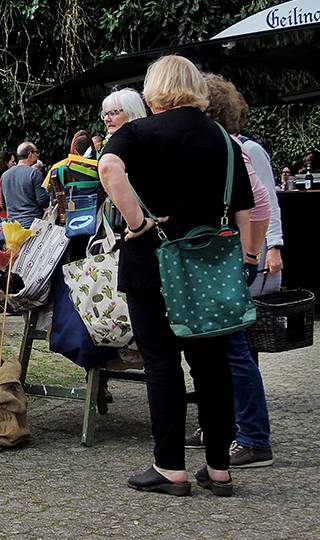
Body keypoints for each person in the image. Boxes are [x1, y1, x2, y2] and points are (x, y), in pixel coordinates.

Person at [99, 55, 254, 497]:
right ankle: (219, 468)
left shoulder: (136, 133)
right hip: (208, 268)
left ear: (154, 90)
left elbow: (108, 168)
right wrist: (248, 259)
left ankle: (170, 467)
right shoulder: (222, 138)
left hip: (151, 265)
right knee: (212, 364)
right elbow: (246, 208)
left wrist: (137, 222)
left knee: (162, 364)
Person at [182, 73, 278, 469]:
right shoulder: (222, 145)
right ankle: (222, 428)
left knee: (234, 350)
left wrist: (251, 256)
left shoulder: (231, 148)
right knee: (221, 351)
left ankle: (254, 437)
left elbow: (262, 205)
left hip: (227, 262)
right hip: (226, 260)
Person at [0, 141, 49, 227]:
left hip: (13, 227)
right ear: (30, 154)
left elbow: (3, 204)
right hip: (33, 225)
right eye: (36, 152)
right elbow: (43, 201)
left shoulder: (4, 176)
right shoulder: (34, 173)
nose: (38, 155)